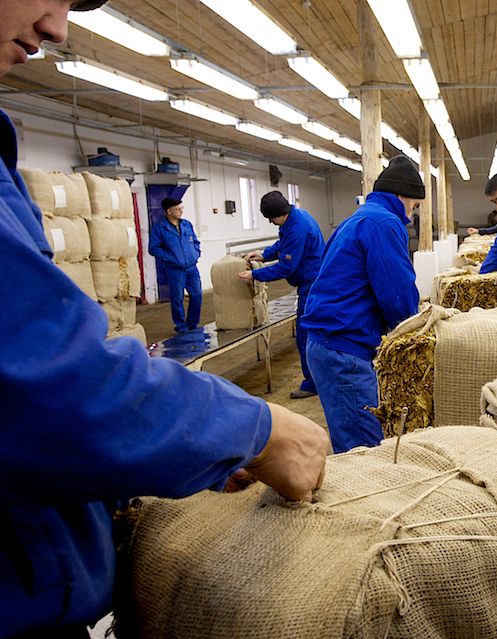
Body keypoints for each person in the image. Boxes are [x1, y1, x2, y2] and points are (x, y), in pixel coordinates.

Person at [1, 2, 330, 637]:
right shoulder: (162, 229)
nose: (58, 28)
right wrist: (249, 429)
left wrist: (168, 456)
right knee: (181, 316)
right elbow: (38, 382)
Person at [301, 156, 422, 454]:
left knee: (348, 433)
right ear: (401, 196)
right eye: (414, 205)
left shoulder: (358, 218)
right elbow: (396, 292)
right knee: (363, 449)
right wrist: (414, 334)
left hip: (329, 344)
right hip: (344, 350)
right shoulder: (384, 222)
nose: (412, 212)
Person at [240, 191, 325, 400]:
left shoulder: (298, 229)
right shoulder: (295, 217)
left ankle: (312, 384)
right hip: (310, 281)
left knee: (305, 335)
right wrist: (264, 254)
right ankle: (318, 378)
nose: (271, 223)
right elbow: (282, 245)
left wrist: (254, 274)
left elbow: (285, 268)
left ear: (279, 214)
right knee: (310, 333)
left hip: (311, 285)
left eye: (271, 219)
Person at [148, 196, 202, 333]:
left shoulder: (186, 224)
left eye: (181, 208)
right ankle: (181, 326)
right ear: (169, 211)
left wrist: (196, 254)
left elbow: (196, 242)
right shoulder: (160, 228)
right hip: (174, 270)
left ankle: (192, 323)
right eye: (177, 209)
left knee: (197, 294)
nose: (180, 211)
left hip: (191, 268)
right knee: (177, 298)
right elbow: (153, 248)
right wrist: (170, 258)